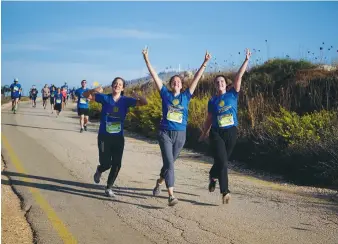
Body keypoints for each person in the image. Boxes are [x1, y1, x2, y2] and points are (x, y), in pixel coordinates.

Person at [142, 47, 211, 206]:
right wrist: (147, 60)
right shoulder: (165, 93)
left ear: (181, 85)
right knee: (170, 164)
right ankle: (171, 195)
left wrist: (205, 63)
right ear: (171, 84)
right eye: (174, 81)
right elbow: (154, 76)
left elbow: (197, 79)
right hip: (165, 133)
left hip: (180, 135)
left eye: (179, 81)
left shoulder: (186, 96)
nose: (176, 82)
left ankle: (159, 181)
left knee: (169, 163)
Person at [199, 48, 251, 204]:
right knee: (222, 160)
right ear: (215, 85)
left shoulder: (232, 94)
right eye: (217, 82)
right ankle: (225, 192)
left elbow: (239, 76)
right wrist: (204, 132)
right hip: (216, 133)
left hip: (231, 131)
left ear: (226, 84)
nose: (220, 83)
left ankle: (213, 176)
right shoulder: (212, 101)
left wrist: (246, 60)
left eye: (222, 81)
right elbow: (209, 118)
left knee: (222, 161)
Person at [83, 77, 148, 197]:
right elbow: (85, 94)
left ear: (123, 88)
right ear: (112, 86)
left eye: (120, 84)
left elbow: (144, 103)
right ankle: (99, 170)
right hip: (104, 136)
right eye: (115, 83)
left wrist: (137, 95)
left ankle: (108, 188)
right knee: (106, 163)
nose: (117, 85)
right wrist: (94, 89)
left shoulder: (126, 100)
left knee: (117, 164)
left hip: (118, 137)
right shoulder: (105, 98)